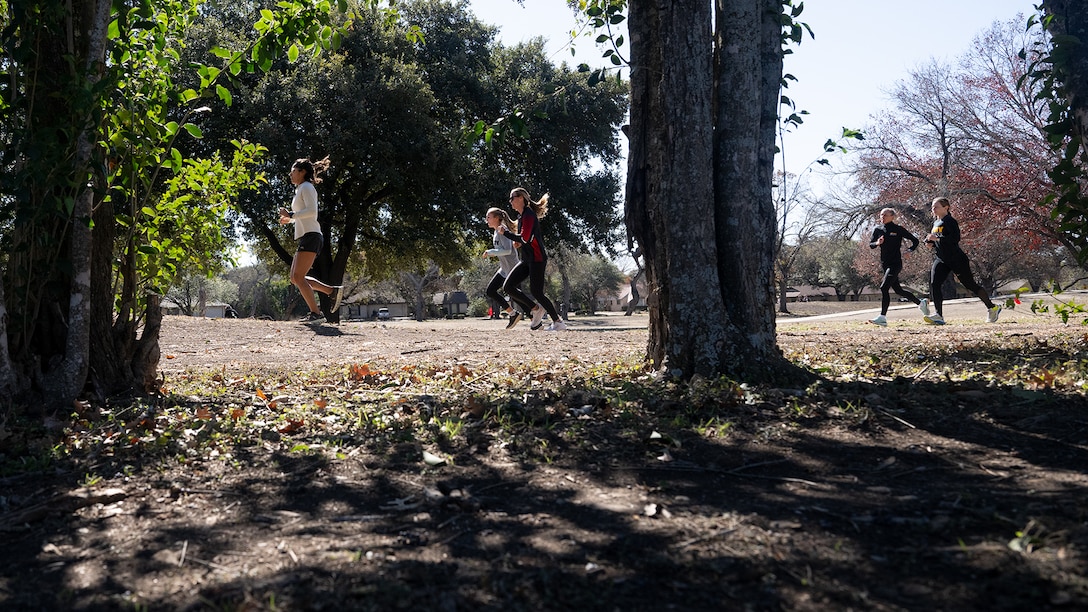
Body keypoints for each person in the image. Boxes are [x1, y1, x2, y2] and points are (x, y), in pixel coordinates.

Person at [278, 157, 341, 324]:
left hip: (312, 236)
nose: (290, 174)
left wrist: (291, 215)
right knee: (295, 277)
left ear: (302, 172)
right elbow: (303, 214)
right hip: (308, 235)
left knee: (298, 277)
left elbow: (312, 212)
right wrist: (289, 220)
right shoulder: (300, 189)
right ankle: (331, 291)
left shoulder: (307, 187)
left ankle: (316, 313)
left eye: (293, 171)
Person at [921, 197, 1001, 325]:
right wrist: (931, 244)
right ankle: (938, 316)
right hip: (941, 259)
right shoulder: (936, 223)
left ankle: (992, 307)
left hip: (956, 258)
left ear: (946, 207)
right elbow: (939, 240)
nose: (933, 209)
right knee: (934, 283)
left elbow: (954, 239)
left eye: (936, 207)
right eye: (932, 207)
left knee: (970, 285)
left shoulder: (950, 221)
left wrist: (936, 239)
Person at [501, 187, 565, 331]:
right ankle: (535, 309)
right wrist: (517, 242)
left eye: (512, 198)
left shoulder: (529, 215)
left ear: (520, 198)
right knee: (508, 286)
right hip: (527, 259)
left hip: (537, 258)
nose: (510, 201)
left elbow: (525, 238)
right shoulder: (522, 217)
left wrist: (506, 233)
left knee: (537, 292)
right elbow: (524, 239)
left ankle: (558, 322)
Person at [867, 207, 928, 326]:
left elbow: (915, 240)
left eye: (885, 215)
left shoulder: (898, 229)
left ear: (892, 217)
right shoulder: (878, 229)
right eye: (881, 215)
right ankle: (921, 303)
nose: (882, 217)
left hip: (895, 264)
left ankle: (882, 317)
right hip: (885, 264)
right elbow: (871, 245)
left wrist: (909, 250)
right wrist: (877, 243)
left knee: (884, 288)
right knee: (898, 290)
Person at [482, 207, 526, 329]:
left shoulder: (503, 230)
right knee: (490, 291)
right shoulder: (496, 232)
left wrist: (490, 252)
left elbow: (507, 250)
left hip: (513, 269)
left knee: (517, 296)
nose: (487, 220)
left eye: (489, 217)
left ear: (497, 218)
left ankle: (535, 315)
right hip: (504, 269)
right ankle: (513, 314)